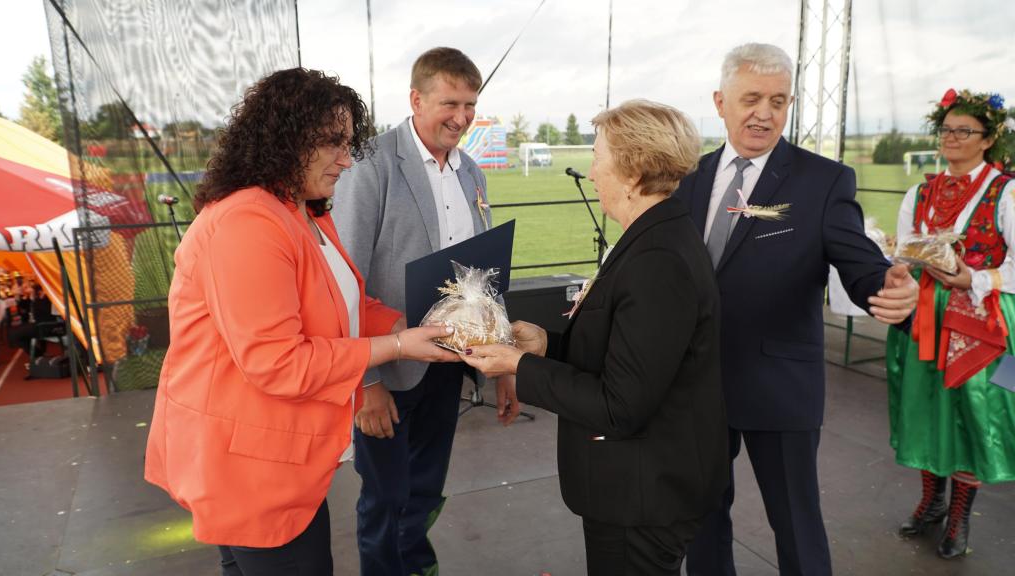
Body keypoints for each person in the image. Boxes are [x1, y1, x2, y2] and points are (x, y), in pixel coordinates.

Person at [143, 68, 457, 576]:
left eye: (348, 143)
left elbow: (343, 305)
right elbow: (277, 362)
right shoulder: (248, 222)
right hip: (247, 471)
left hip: (275, 462)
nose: (346, 159)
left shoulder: (303, 211)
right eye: (332, 142)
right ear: (285, 140)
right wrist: (398, 347)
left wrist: (415, 324)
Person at [677, 43, 919, 576]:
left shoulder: (823, 180)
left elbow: (860, 264)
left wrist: (887, 288)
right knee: (701, 523)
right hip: (695, 385)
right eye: (751, 99)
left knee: (797, 527)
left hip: (779, 386)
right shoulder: (689, 176)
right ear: (720, 102)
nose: (764, 113)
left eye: (779, 101)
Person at [460, 99, 729, 575]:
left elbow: (620, 405)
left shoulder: (658, 260)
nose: (592, 170)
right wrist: (547, 346)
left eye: (598, 157)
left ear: (632, 173)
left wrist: (518, 366)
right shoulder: (655, 236)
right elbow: (629, 353)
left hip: (641, 495)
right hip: (641, 486)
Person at [332, 46, 519, 576]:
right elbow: (345, 279)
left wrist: (505, 363)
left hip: (450, 364)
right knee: (385, 498)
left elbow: (485, 276)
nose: (462, 117)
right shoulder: (371, 164)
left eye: (470, 104)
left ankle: (415, 565)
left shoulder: (471, 172)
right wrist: (365, 383)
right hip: (387, 369)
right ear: (416, 100)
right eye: (449, 104)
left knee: (425, 489)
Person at [886, 89, 1015, 559]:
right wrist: (896, 264)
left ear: (988, 139)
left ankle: (960, 514)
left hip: (984, 317)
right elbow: (904, 249)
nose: (952, 138)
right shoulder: (921, 192)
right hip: (926, 313)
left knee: (973, 413)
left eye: (965, 131)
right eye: (947, 130)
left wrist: (972, 278)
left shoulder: (1006, 192)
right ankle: (932, 501)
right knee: (925, 406)